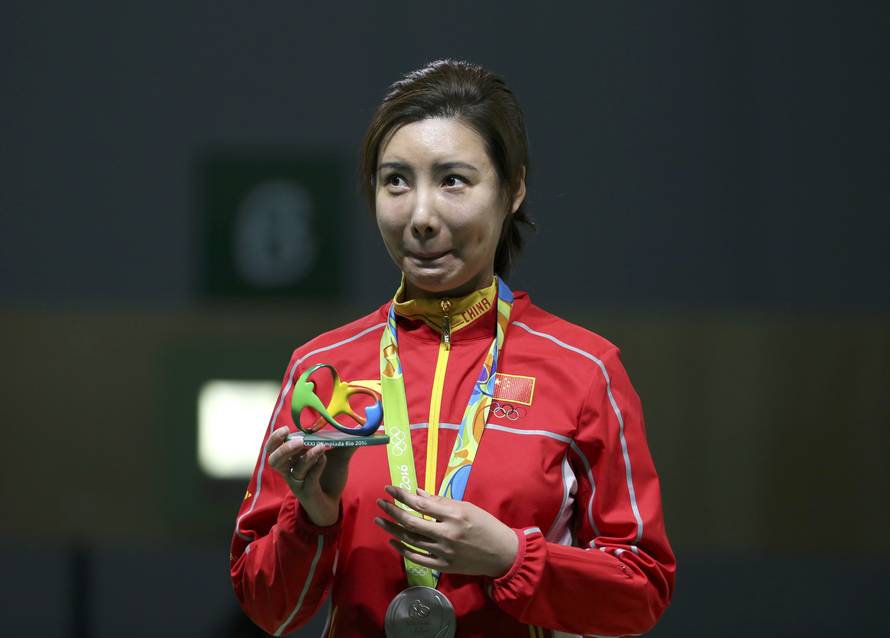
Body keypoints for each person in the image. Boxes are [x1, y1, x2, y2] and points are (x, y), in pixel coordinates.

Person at [230, 59, 675, 638]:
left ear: (513, 189)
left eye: (453, 180)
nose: (419, 215)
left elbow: (640, 592)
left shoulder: (585, 370)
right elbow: (269, 609)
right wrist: (312, 519)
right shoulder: (322, 369)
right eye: (396, 181)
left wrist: (513, 558)